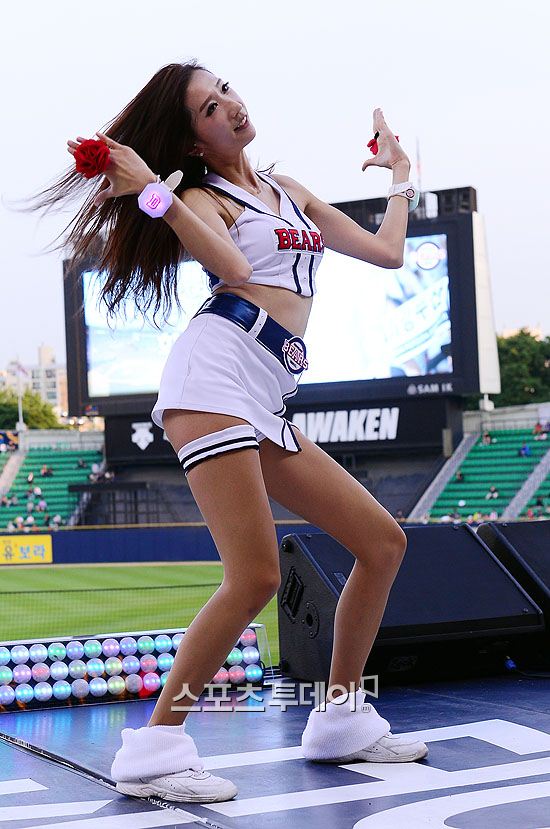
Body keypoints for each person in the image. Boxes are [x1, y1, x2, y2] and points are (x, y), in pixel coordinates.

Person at [34, 60, 425, 803]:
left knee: (382, 542)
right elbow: (232, 264)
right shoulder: (199, 197)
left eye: (227, 92)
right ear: (192, 141)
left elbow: (387, 251)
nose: (232, 107)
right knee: (254, 576)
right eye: (210, 108)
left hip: (265, 392)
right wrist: (152, 193)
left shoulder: (287, 189)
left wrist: (401, 174)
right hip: (213, 380)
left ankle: (342, 719)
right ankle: (154, 748)